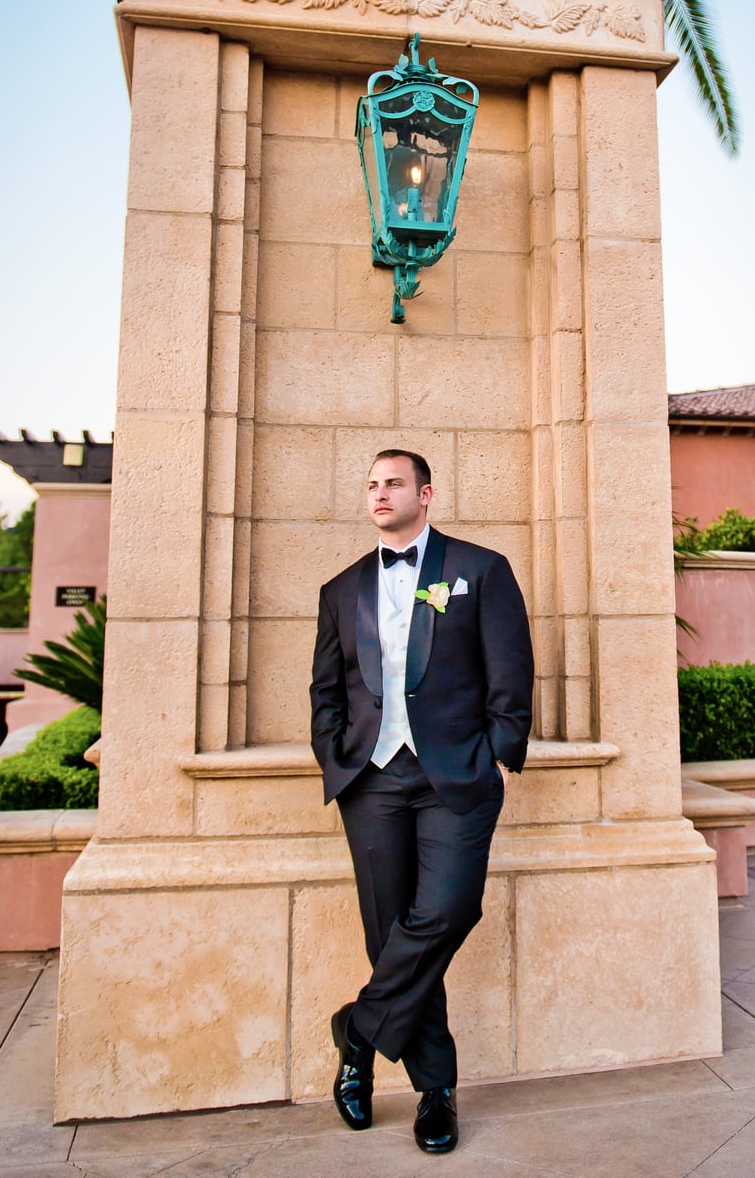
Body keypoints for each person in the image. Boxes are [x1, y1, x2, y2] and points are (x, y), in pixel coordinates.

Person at [309, 449, 534, 1153]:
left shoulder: (480, 570)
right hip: (371, 780)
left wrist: (501, 753)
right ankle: (436, 1090)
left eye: (394, 483)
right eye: (372, 484)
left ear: (426, 493)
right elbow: (325, 690)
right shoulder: (341, 588)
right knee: (390, 933)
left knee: (447, 911)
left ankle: (358, 1032)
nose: (380, 494)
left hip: (456, 777)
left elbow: (511, 668)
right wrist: (335, 756)